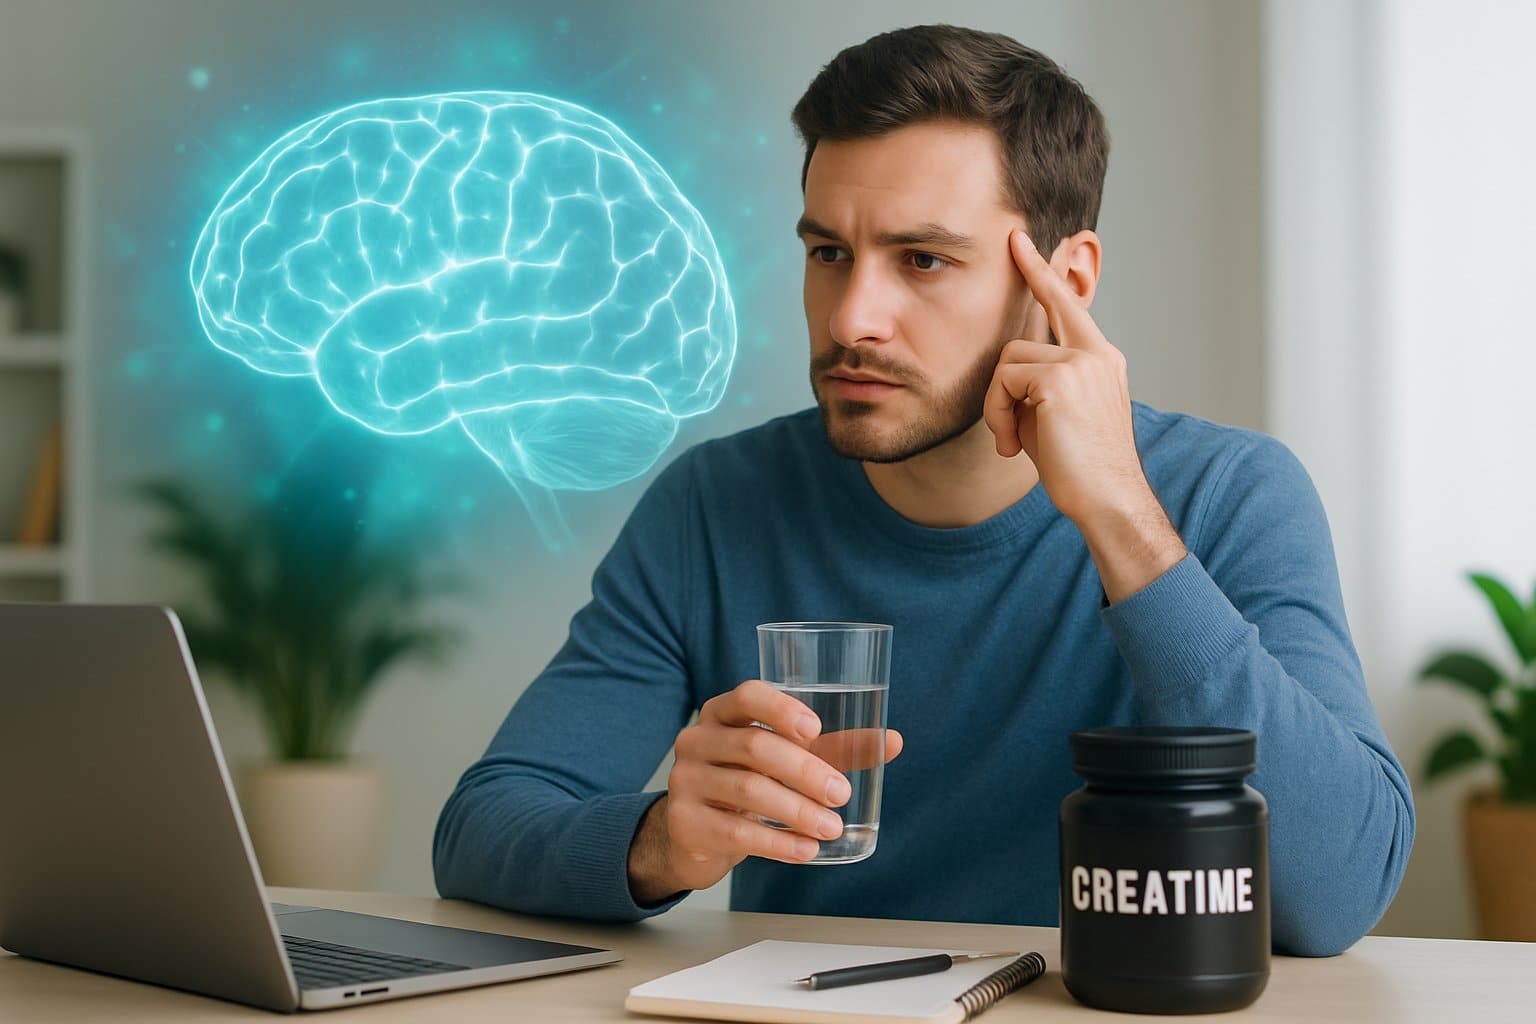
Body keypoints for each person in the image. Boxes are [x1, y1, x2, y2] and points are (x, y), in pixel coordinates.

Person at [433, 23, 1413, 957]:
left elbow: (1339, 891)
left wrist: (1123, 520)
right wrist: (659, 841)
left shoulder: (1229, 496)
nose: (854, 316)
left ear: (1061, 280)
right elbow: (482, 829)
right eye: (828, 254)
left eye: (924, 260)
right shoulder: (717, 505)